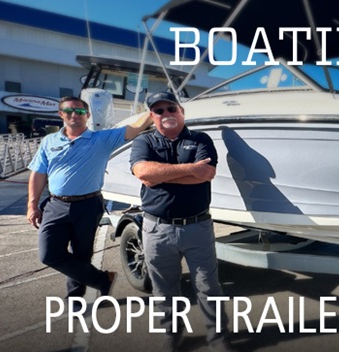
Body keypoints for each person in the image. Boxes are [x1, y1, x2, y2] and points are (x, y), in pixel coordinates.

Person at [129, 92, 231, 351]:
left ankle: (217, 338)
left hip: (197, 226)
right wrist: (189, 169)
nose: (166, 114)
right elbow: (142, 171)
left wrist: (160, 175)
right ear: (152, 116)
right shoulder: (144, 141)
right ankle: (172, 334)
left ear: (181, 111)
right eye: (159, 111)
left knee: (208, 286)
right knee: (164, 287)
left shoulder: (200, 139)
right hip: (156, 228)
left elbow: (206, 173)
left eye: (171, 108)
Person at [27, 96, 152, 304]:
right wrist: (32, 204)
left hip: (88, 205)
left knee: (81, 254)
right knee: (49, 255)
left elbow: (135, 127)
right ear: (61, 114)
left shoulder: (101, 139)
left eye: (80, 111)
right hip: (55, 204)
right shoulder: (49, 141)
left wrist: (157, 108)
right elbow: (38, 174)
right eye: (68, 111)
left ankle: (74, 299)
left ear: (88, 115)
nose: (74, 115)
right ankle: (103, 279)